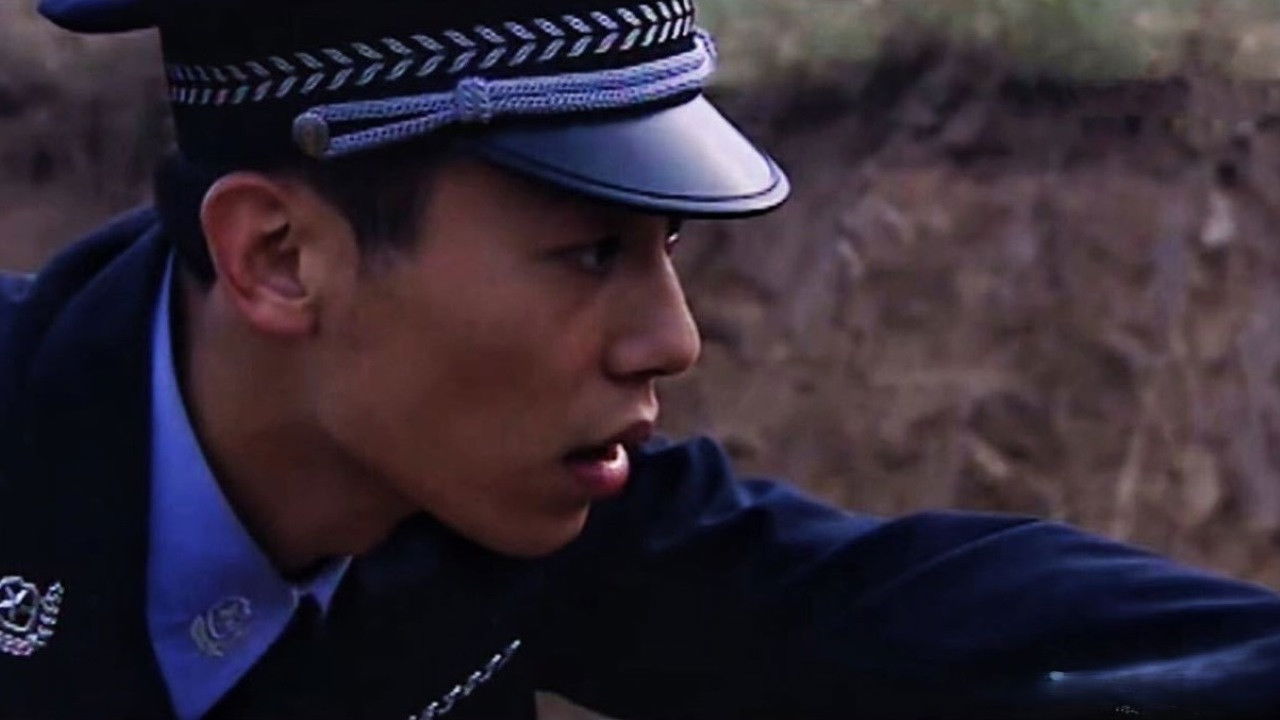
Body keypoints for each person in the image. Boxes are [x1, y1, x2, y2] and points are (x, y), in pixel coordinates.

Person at [2, 0, 1280, 718]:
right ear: (279, 257)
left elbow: (873, 601)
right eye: (586, 254)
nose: (672, 337)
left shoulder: (486, 513)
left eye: (665, 247)